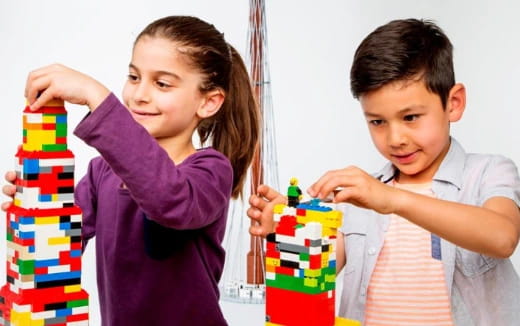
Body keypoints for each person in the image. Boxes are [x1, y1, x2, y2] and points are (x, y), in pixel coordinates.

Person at [247, 18, 520, 325]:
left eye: (411, 117)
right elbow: (312, 279)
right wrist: (290, 231)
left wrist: (393, 199)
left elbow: (502, 237)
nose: (395, 139)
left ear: (453, 103)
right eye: (377, 121)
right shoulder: (359, 199)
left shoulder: (487, 172)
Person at [2, 16, 259, 326]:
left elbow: (168, 199)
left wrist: (96, 96)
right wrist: (40, 207)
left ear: (208, 102)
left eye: (162, 83)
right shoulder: (102, 172)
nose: (139, 95)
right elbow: (61, 245)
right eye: (134, 77)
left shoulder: (210, 171)